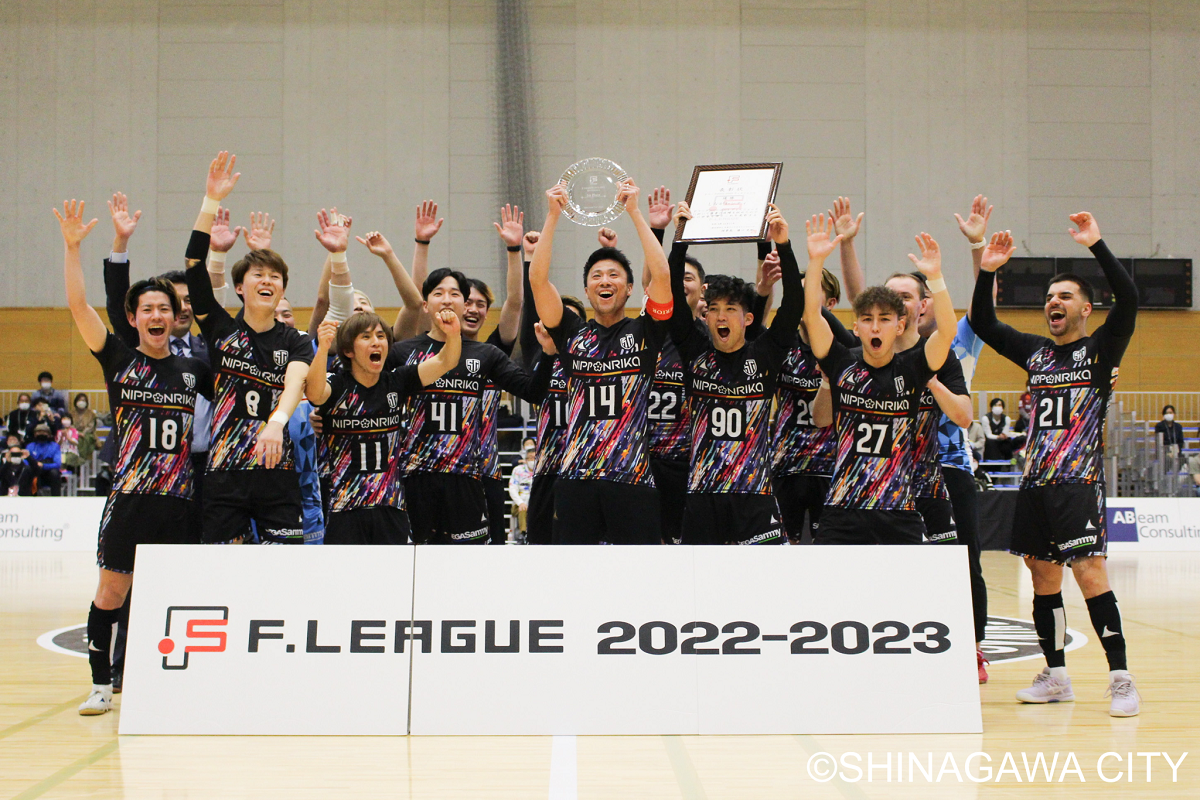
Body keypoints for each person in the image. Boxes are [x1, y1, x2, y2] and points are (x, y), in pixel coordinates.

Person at [971, 211, 1140, 717]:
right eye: (1049, 297)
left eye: (1064, 296)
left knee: (1089, 573)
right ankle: (1057, 677)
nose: (1053, 302)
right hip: (1036, 485)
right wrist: (986, 269)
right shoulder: (1037, 354)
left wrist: (1097, 244)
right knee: (1043, 578)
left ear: (1086, 308)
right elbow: (983, 323)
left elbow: (1129, 299)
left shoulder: (1101, 349)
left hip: (1078, 483)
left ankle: (1121, 679)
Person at [54, 197, 212, 717]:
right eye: (147, 309)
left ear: (174, 316)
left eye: (164, 308)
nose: (157, 315)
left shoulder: (193, 371)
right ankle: (102, 685)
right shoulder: (118, 359)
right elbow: (80, 307)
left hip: (180, 500)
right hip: (130, 499)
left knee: (172, 596)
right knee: (111, 593)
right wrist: (73, 249)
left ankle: (168, 681)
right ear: (134, 317)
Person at [528, 178, 674, 545]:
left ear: (629, 288)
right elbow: (538, 281)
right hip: (576, 480)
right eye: (596, 276)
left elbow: (662, 275)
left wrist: (635, 212)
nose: (604, 281)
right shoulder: (570, 332)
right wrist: (552, 216)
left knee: (638, 574)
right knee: (574, 575)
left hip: (632, 479)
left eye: (614, 275)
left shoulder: (646, 331)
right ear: (586, 289)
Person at [184, 151, 313, 545]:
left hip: (277, 470)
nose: (267, 281)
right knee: (223, 568)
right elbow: (193, 264)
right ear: (240, 287)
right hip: (226, 472)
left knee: (284, 565)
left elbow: (295, 384)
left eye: (275, 276)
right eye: (258, 274)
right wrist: (210, 201)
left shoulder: (295, 340)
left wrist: (276, 423)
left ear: (283, 289)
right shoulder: (220, 328)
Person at [805, 216, 957, 545]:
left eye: (884, 319)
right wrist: (816, 261)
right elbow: (811, 317)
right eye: (867, 319)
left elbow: (947, 332)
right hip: (843, 507)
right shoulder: (841, 362)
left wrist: (936, 277)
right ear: (856, 327)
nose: (875, 327)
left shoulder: (913, 368)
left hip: (898, 509)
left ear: (899, 326)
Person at [667, 202, 802, 544]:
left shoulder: (765, 354)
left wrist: (783, 245)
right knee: (699, 576)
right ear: (706, 316)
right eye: (714, 309)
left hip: (754, 493)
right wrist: (680, 239)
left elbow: (794, 305)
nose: (721, 316)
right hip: (703, 493)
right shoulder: (695, 351)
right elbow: (672, 296)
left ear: (748, 318)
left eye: (730, 309)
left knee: (763, 575)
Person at [390, 268, 545, 544]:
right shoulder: (403, 352)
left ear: (463, 304)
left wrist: (549, 351)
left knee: (469, 561)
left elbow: (532, 391)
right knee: (417, 560)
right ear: (425, 304)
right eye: (438, 293)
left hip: (466, 478)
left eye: (455, 294)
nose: (447, 299)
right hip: (416, 478)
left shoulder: (485, 354)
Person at [307, 310, 461, 544]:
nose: (376, 342)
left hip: (390, 506)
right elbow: (314, 393)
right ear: (348, 351)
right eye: (366, 337)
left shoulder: (397, 381)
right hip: (344, 508)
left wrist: (454, 334)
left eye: (381, 336)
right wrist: (323, 348)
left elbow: (445, 362)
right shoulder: (337, 385)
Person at [26, 423, 63, 496]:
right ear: (35, 434)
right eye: (38, 432)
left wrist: (43, 465)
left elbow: (57, 464)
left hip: (48, 473)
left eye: (44, 432)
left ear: (49, 434)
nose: (41, 434)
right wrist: (35, 465)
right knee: (27, 470)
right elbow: (25, 461)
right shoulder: (30, 446)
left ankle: (56, 498)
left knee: (55, 473)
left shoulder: (54, 446)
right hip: (34, 472)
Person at [508, 445, 536, 539]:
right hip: (520, 504)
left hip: (536, 503)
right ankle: (523, 535)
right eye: (530, 458)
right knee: (523, 508)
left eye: (534, 458)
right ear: (526, 459)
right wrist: (520, 503)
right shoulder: (518, 470)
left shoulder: (540, 471)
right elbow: (512, 489)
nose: (532, 460)